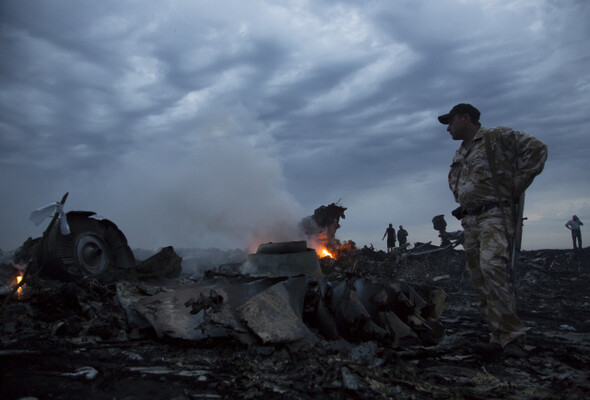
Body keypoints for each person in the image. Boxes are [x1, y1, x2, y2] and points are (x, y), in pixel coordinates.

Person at [439, 103, 547, 357]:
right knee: (479, 276)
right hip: (471, 221)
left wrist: (515, 186)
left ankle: (512, 337)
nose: (448, 128)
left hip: (494, 216)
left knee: (493, 268)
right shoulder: (461, 152)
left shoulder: (496, 137)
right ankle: (497, 335)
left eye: (451, 121)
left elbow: (537, 149)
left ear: (466, 118)